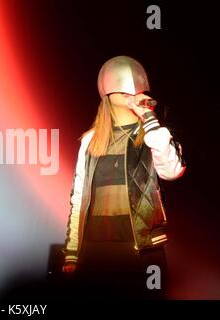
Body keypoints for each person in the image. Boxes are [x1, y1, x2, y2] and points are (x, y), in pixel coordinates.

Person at [62, 56, 186, 298]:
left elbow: (172, 171)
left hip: (142, 249)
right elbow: (79, 198)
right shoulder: (91, 140)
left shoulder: (155, 133)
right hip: (97, 251)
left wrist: (148, 117)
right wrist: (72, 252)